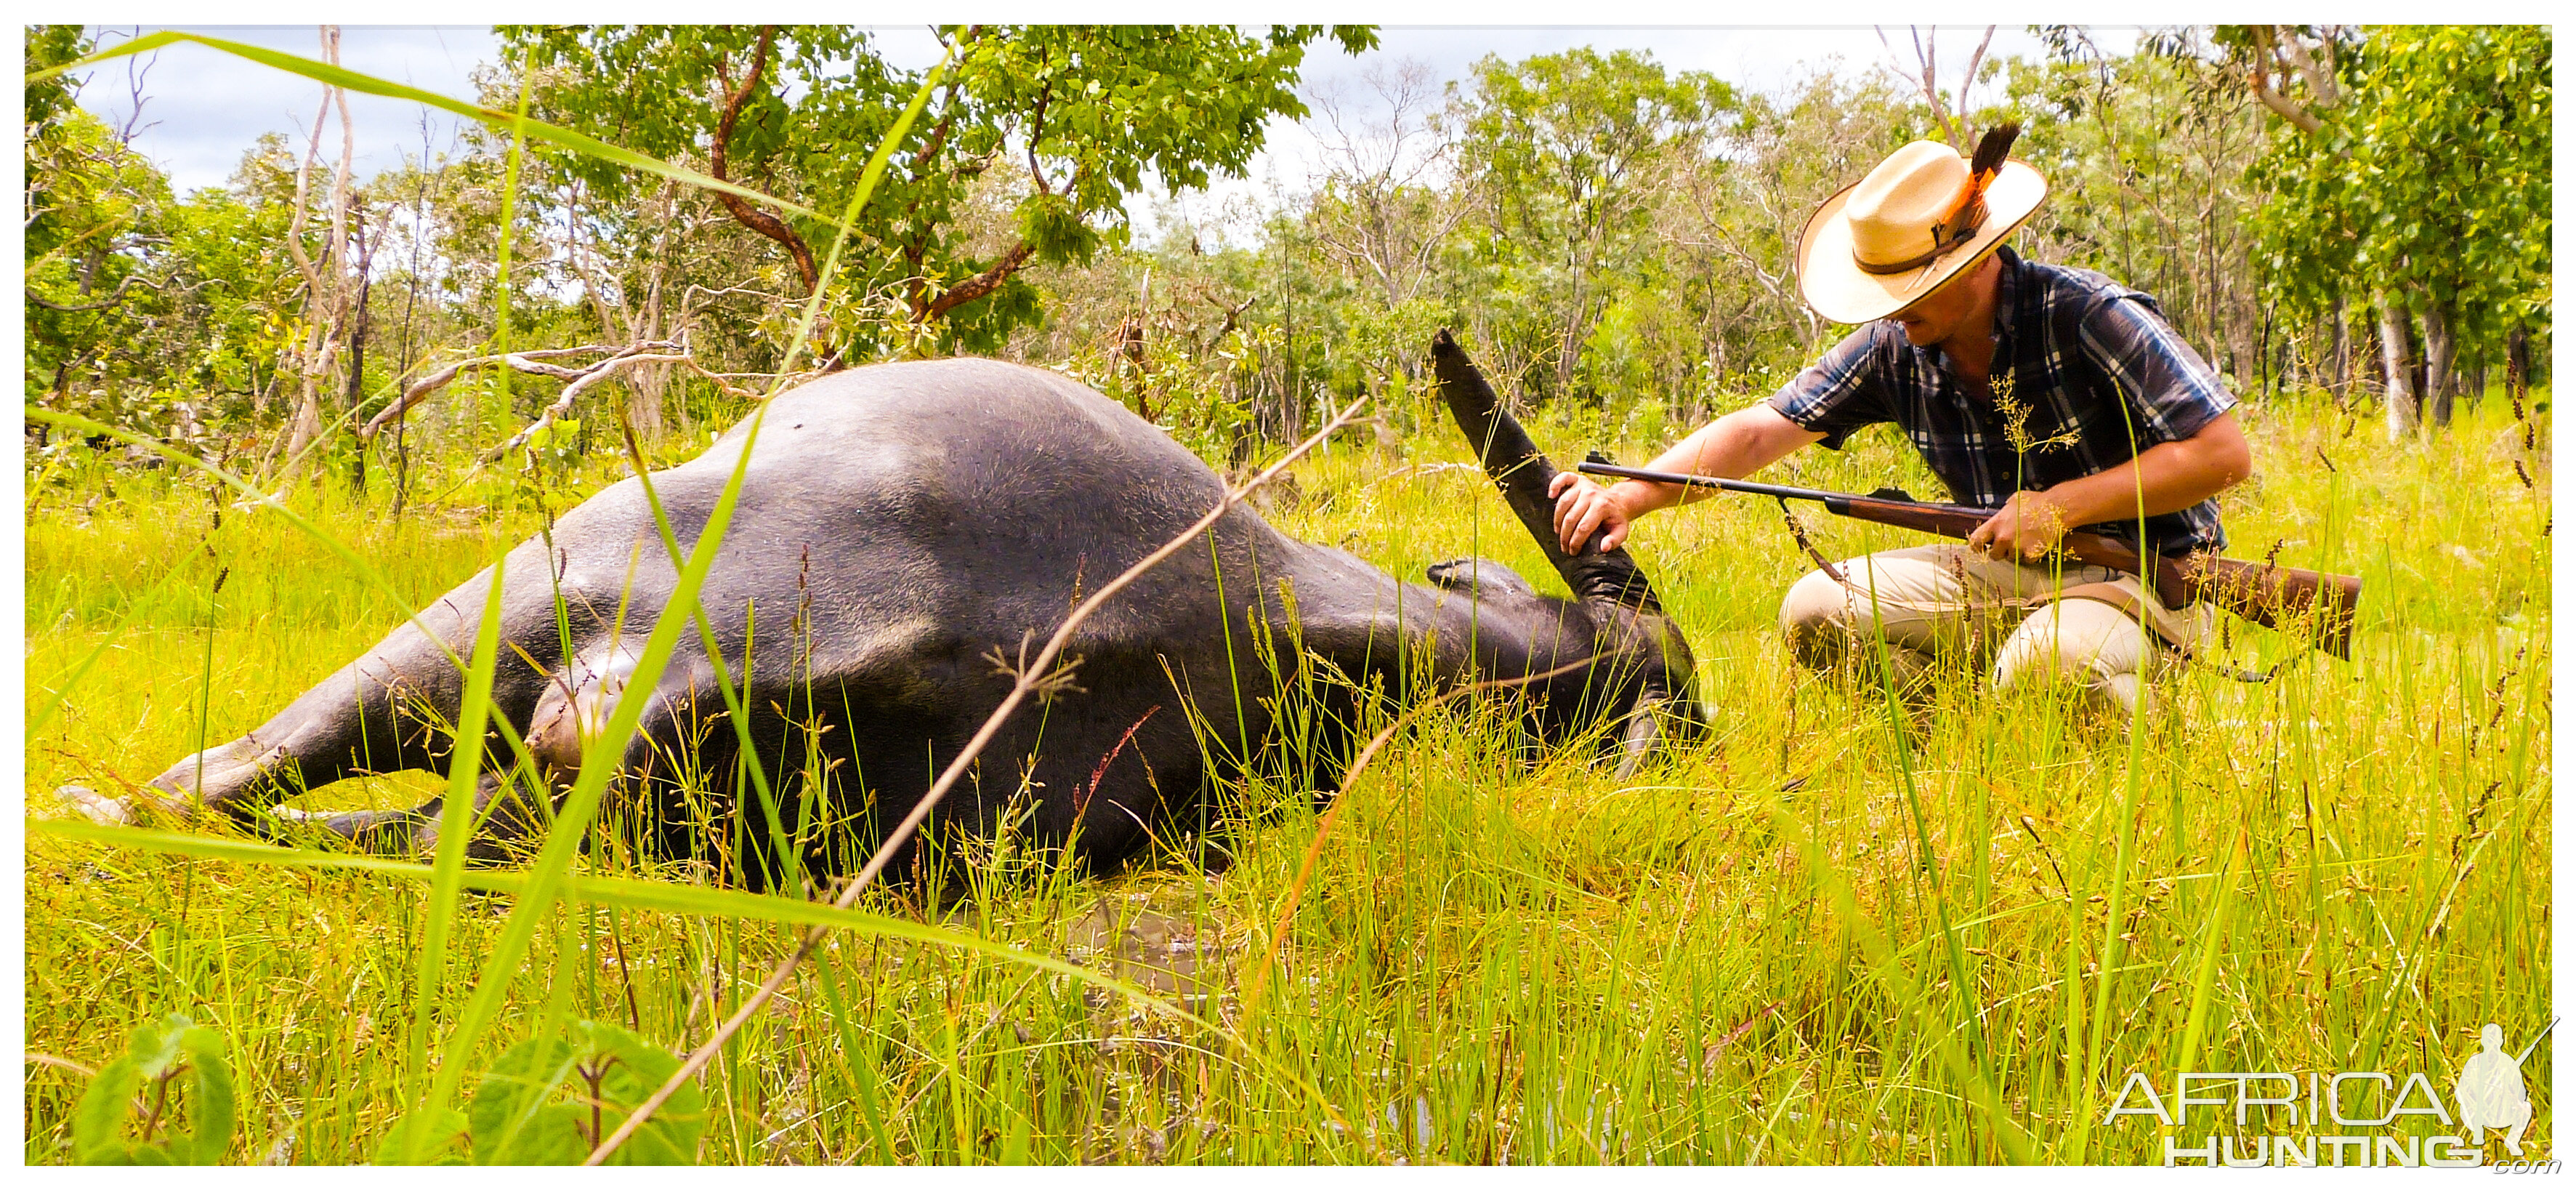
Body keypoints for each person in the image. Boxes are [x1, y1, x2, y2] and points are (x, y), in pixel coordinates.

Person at [1548, 127, 2252, 712]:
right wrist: (1628, 496)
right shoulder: (1895, 344)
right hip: (2001, 570)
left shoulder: (2086, 313)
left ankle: (2153, 726)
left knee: (2045, 667)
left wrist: (2059, 507)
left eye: (1911, 285)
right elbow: (1761, 429)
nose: (1890, 306)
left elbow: (2221, 453)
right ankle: (1964, 739)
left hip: (2148, 577)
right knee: (1816, 610)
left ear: (1974, 263)